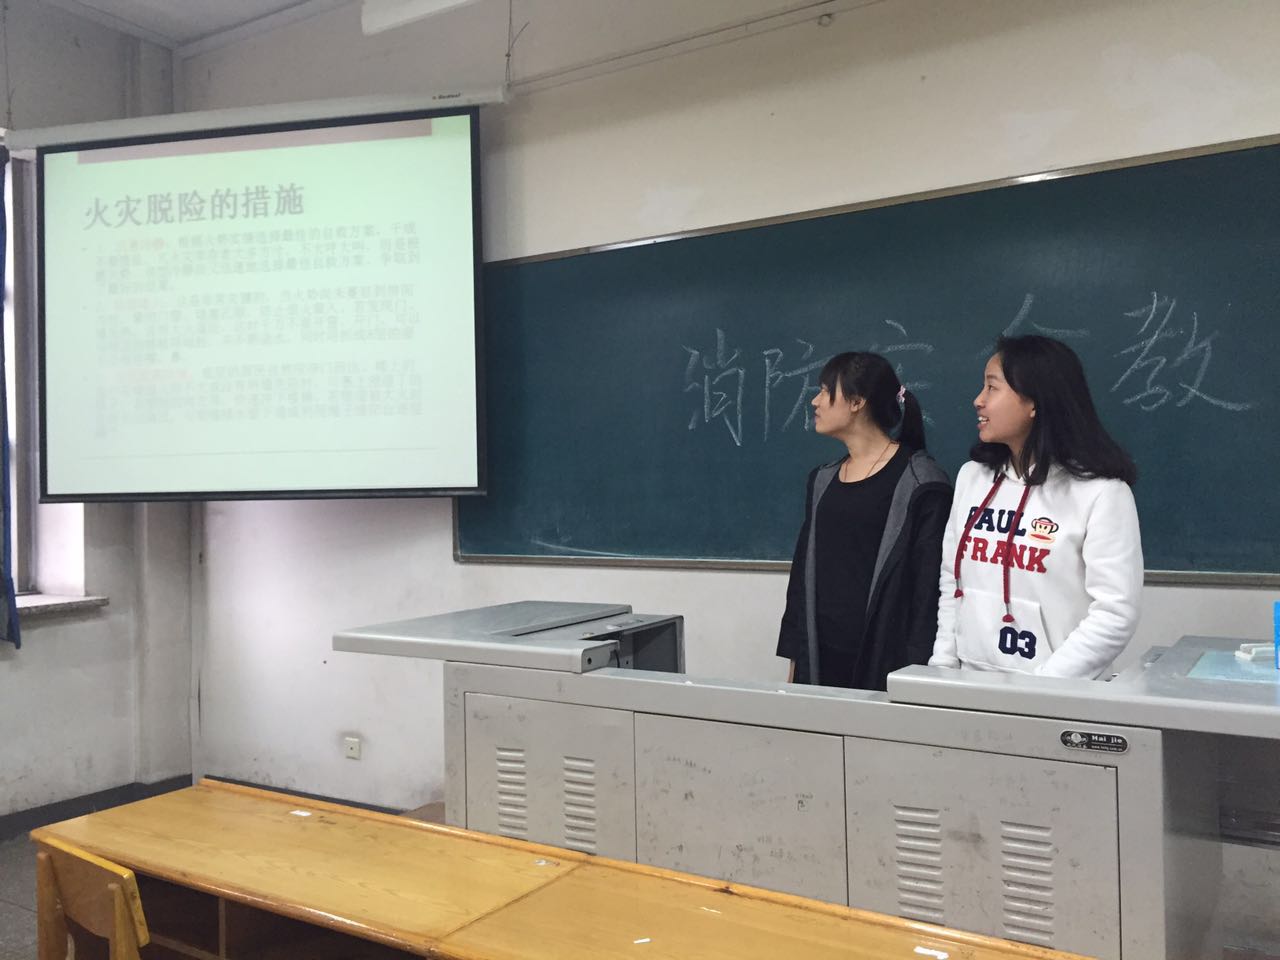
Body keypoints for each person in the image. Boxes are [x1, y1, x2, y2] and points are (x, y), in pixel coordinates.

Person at [930, 334, 1142, 678]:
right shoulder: (972, 478)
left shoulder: (1102, 493)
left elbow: (1115, 613)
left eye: (992, 388)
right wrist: (942, 667)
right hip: (969, 685)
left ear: (1034, 402)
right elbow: (952, 581)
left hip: (1057, 694)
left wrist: (1041, 690)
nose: (978, 400)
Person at [777, 352, 952, 690]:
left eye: (825, 391)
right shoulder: (822, 480)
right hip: (821, 658)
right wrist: (796, 664)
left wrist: (919, 677)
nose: (814, 401)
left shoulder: (921, 482)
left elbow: (927, 592)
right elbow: (801, 581)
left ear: (857, 402)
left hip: (885, 662)